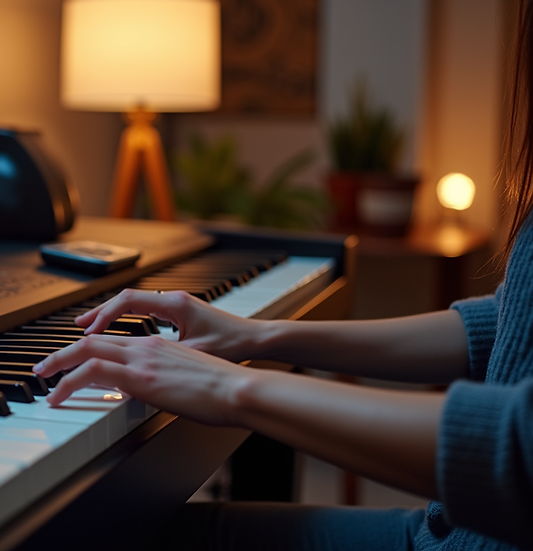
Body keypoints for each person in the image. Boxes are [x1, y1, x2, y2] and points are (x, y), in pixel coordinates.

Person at [32, 5, 533, 550]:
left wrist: (229, 386)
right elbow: (506, 328)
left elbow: (520, 451)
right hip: (459, 531)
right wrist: (260, 336)